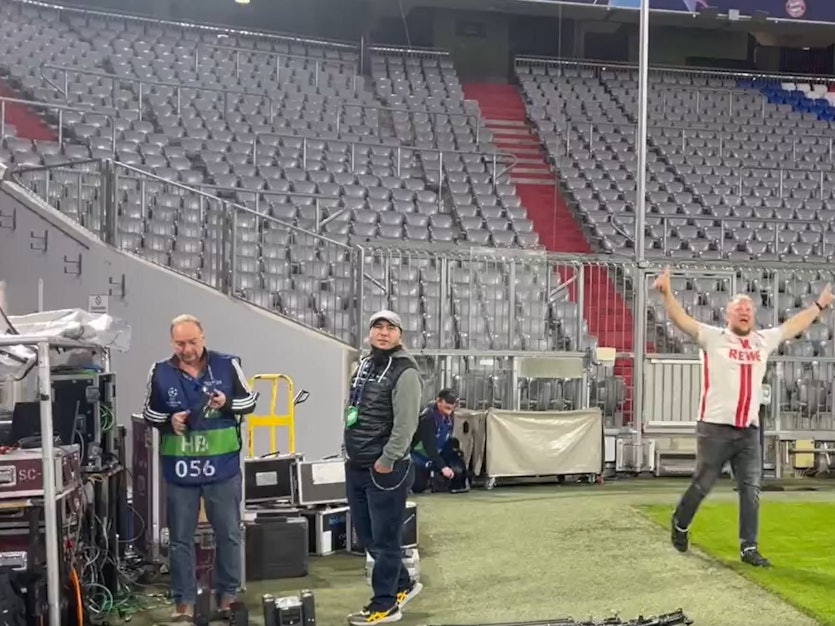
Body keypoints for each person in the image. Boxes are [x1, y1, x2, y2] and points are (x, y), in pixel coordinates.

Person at [654, 266, 833, 567]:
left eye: (748, 310)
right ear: (728, 315)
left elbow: (793, 325)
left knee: (751, 490)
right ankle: (680, 523)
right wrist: (667, 293)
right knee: (703, 483)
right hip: (714, 429)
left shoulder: (764, 340)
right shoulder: (713, 338)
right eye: (739, 310)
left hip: (749, 430)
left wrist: (818, 305)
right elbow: (681, 320)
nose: (744, 313)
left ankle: (749, 548)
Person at [142, 314, 258, 622]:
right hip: (180, 471)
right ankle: (185, 602)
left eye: (192, 341)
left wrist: (227, 403)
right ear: (172, 342)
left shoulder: (228, 364)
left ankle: (228, 597)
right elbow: (149, 412)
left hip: (222, 470)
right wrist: (170, 420)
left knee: (229, 534)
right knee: (180, 539)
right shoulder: (159, 371)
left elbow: (250, 403)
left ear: (203, 337)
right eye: (180, 343)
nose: (187, 348)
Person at [343, 310, 423, 625]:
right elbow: (356, 409)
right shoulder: (364, 365)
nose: (383, 332)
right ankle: (403, 583)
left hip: (385, 469)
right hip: (358, 464)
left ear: (399, 335)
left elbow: (406, 425)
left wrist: (387, 459)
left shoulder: (405, 371)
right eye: (378, 326)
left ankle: (386, 604)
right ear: (370, 333)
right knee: (367, 536)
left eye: (391, 328)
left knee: (386, 539)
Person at [411, 389, 469, 494]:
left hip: (436, 453)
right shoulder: (428, 418)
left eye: (453, 403)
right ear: (438, 401)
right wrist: (442, 467)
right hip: (418, 455)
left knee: (457, 462)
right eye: (447, 402)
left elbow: (446, 439)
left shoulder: (450, 417)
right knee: (418, 487)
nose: (450, 405)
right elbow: (429, 446)